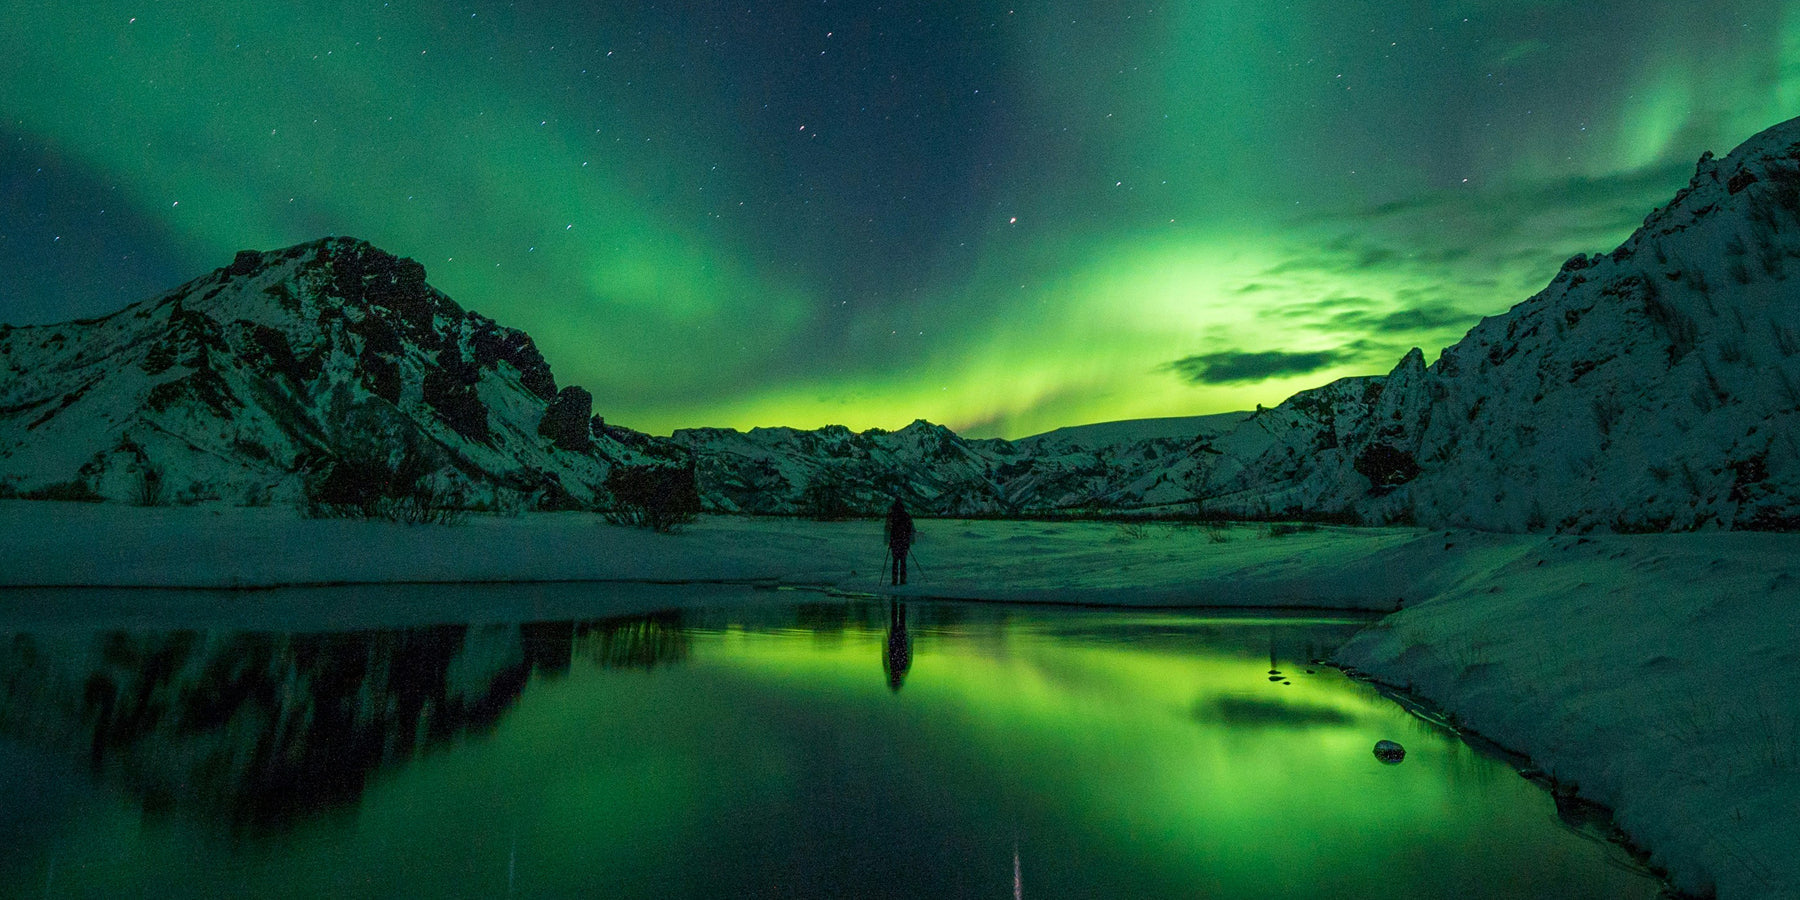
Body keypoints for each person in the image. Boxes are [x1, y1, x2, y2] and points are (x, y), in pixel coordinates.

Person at [884, 497, 915, 586]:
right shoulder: (906, 516)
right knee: (903, 561)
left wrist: (889, 541)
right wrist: (909, 540)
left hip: (895, 541)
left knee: (895, 561)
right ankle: (903, 579)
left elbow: (888, 529)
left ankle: (894, 580)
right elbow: (910, 529)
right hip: (903, 541)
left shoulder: (892, 516)